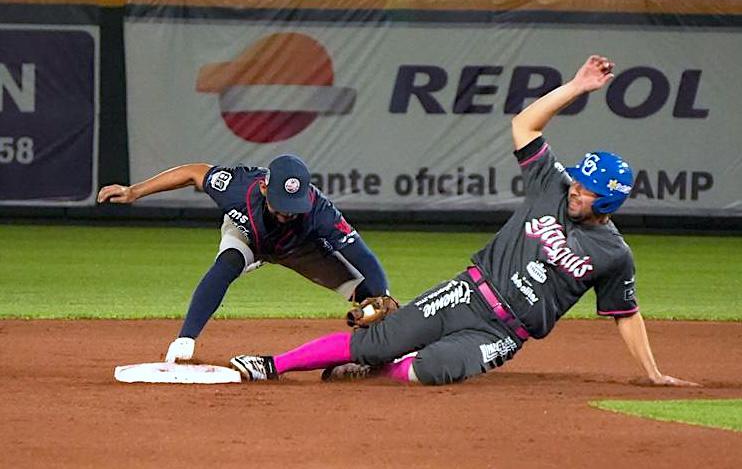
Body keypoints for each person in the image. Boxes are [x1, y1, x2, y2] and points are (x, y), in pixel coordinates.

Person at [228, 55, 698, 387]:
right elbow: (524, 125)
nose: (575, 189)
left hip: (502, 333)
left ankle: (381, 370)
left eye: (587, 189)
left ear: (609, 202)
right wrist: (576, 88)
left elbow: (626, 314)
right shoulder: (551, 186)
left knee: (427, 372)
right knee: (373, 342)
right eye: (577, 180)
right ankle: (274, 365)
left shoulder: (613, 254)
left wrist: (653, 373)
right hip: (466, 293)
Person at [97, 154, 390, 362]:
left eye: (294, 206)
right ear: (264, 187)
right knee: (228, 263)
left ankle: (381, 352)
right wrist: (134, 192)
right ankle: (185, 340)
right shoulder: (238, 187)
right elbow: (193, 172)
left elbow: (362, 255)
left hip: (298, 247)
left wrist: (382, 295)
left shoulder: (321, 212)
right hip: (247, 231)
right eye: (281, 205)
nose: (287, 213)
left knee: (367, 293)